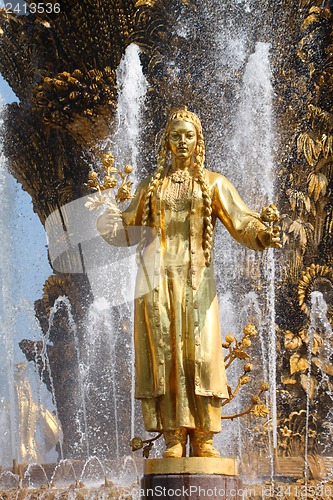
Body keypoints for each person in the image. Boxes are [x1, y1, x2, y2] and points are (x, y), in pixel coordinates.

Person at [97, 107, 280, 458]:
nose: (182, 142)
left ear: (199, 141)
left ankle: (206, 437)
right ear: (167, 141)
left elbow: (241, 221)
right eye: (176, 135)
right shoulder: (151, 186)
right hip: (156, 279)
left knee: (202, 353)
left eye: (189, 135)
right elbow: (128, 227)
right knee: (163, 354)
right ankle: (173, 437)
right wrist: (107, 222)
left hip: (197, 278)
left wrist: (262, 235)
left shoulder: (213, 183)